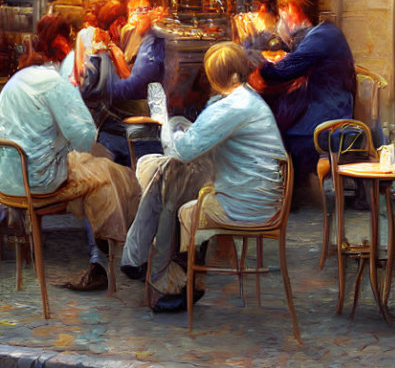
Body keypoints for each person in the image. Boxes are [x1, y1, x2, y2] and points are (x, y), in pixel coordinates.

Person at [121, 42, 287, 312]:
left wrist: (171, 127)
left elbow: (184, 149)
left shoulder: (233, 107)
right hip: (255, 191)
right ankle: (143, 260)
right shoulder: (245, 99)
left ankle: (183, 283)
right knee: (172, 176)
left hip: (249, 202)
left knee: (178, 192)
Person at [0, 15, 141, 292]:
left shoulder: (15, 81)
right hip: (40, 180)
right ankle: (107, 259)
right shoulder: (56, 84)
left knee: (94, 167)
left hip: (5, 179)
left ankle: (101, 262)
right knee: (108, 175)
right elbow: (84, 137)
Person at [249, 0, 356, 188]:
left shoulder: (322, 36)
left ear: (292, 9)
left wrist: (257, 68)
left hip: (328, 116)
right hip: (326, 106)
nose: (280, 22)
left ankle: (288, 193)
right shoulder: (322, 34)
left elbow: (282, 71)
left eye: (282, 15)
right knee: (277, 118)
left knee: (277, 128)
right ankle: (289, 192)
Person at [82, 0, 166, 166]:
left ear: (154, 12)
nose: (136, 16)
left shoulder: (153, 40)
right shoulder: (129, 31)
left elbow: (131, 81)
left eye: (143, 10)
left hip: (140, 106)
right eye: (133, 10)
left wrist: (110, 49)